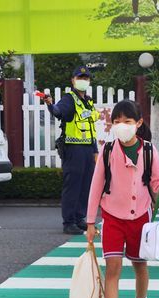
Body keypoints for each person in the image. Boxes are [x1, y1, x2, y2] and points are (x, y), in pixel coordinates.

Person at [85, 100, 159, 298]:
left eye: (127, 121)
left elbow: (158, 183)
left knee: (140, 265)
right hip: (112, 217)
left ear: (138, 123)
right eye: (116, 122)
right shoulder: (108, 150)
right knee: (113, 266)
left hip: (141, 217)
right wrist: (90, 222)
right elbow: (95, 187)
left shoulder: (149, 150)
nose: (121, 126)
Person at [42, 66, 108, 235]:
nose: (83, 81)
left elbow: (90, 127)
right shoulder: (69, 99)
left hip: (87, 149)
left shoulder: (88, 100)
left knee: (85, 185)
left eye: (86, 78)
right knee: (73, 186)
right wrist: (50, 105)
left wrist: (95, 151)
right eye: (80, 78)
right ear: (73, 80)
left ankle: (80, 218)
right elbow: (58, 112)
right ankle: (69, 222)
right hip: (73, 149)